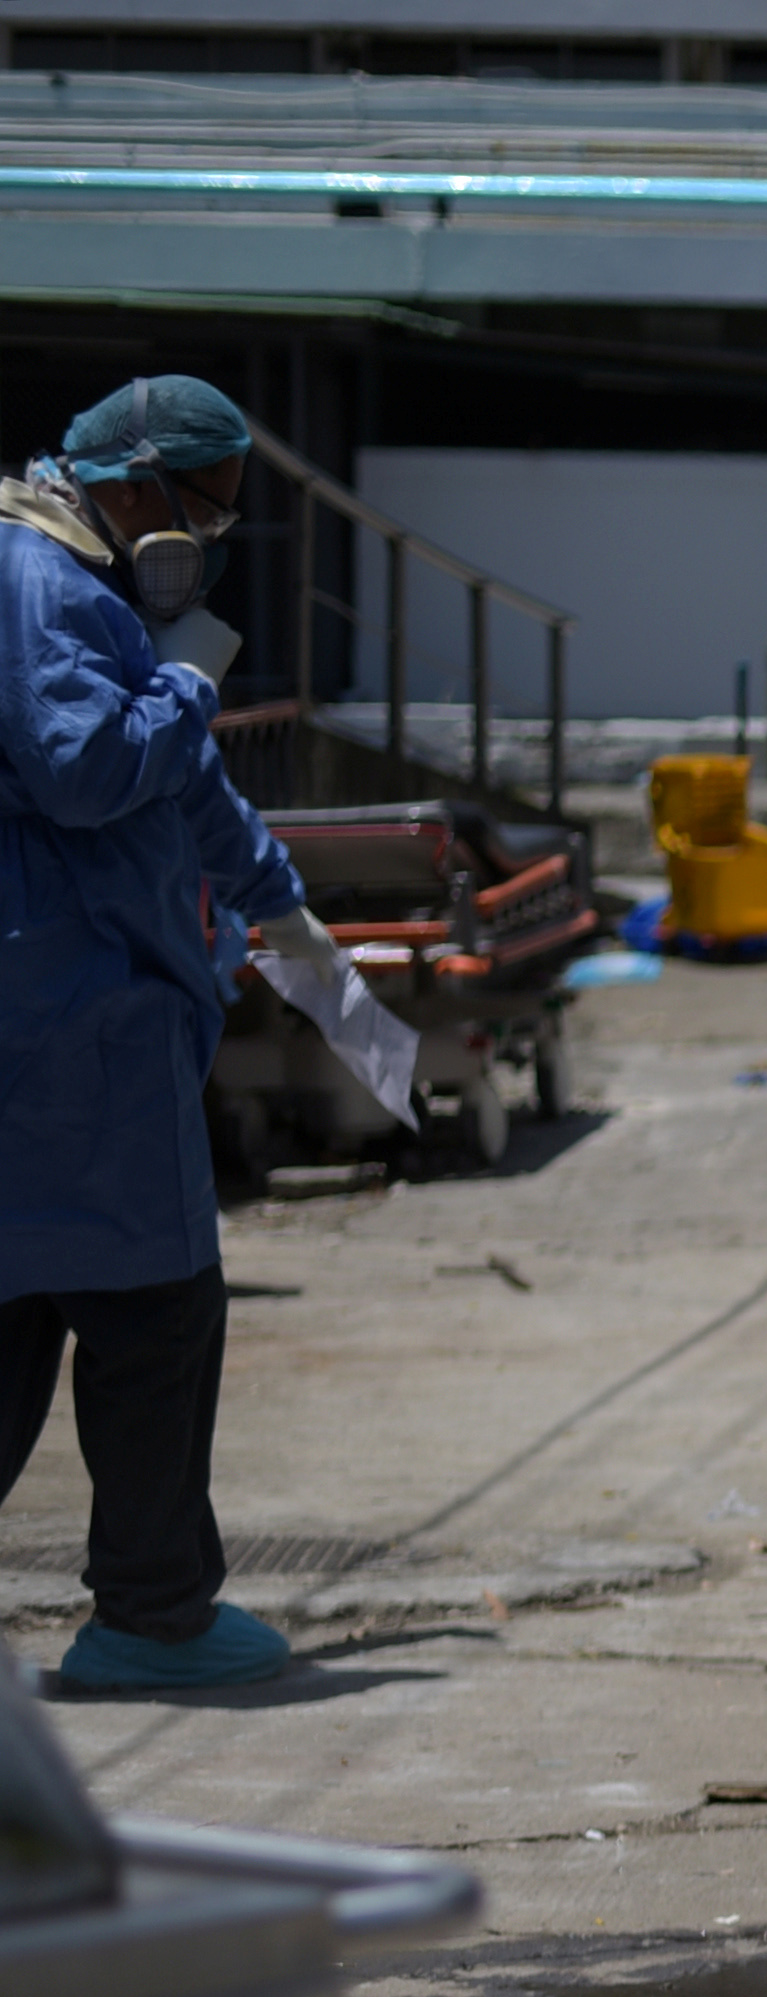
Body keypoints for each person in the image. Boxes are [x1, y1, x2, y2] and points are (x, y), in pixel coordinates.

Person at [2, 372, 325, 1694]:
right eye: (209, 512)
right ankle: (153, 1612)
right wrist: (189, 686)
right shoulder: (40, 585)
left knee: (29, 1301)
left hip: (83, 1010)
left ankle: (155, 1603)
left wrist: (277, 905)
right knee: (156, 1311)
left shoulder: (88, 583)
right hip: (68, 1018)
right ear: (137, 487)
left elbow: (176, 788)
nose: (211, 543)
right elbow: (90, 773)